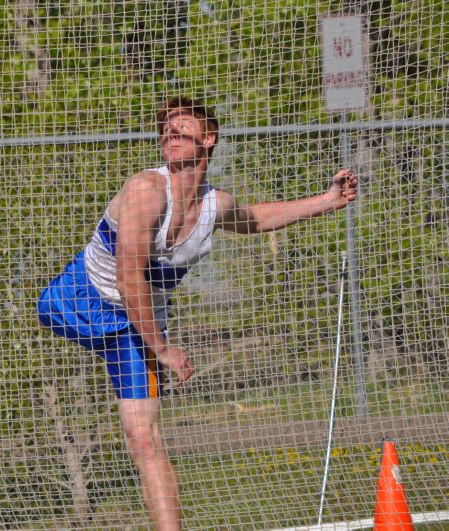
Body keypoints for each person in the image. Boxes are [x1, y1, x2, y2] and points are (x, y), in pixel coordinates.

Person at [36, 96, 358, 530]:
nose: (169, 134)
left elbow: (256, 220)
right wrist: (163, 348)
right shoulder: (146, 191)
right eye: (165, 130)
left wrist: (328, 200)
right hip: (80, 301)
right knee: (48, 309)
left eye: (180, 128)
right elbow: (130, 279)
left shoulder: (214, 205)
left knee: (142, 437)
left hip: (135, 326)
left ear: (208, 139)